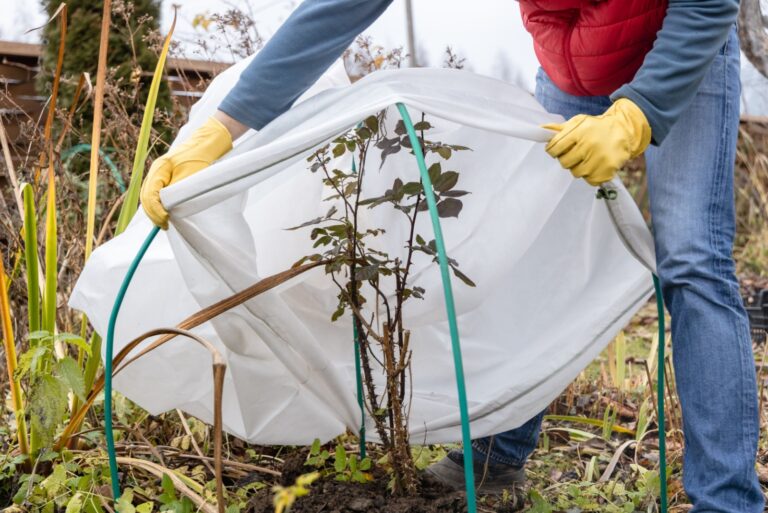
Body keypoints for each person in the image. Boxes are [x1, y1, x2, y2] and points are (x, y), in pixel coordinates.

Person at [140, 1, 762, 511]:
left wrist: (638, 115)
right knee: (530, 250)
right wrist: (221, 129)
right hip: (571, 66)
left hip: (683, 48)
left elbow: (708, 4)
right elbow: (339, 9)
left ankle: (726, 498)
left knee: (691, 262)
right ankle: (496, 456)